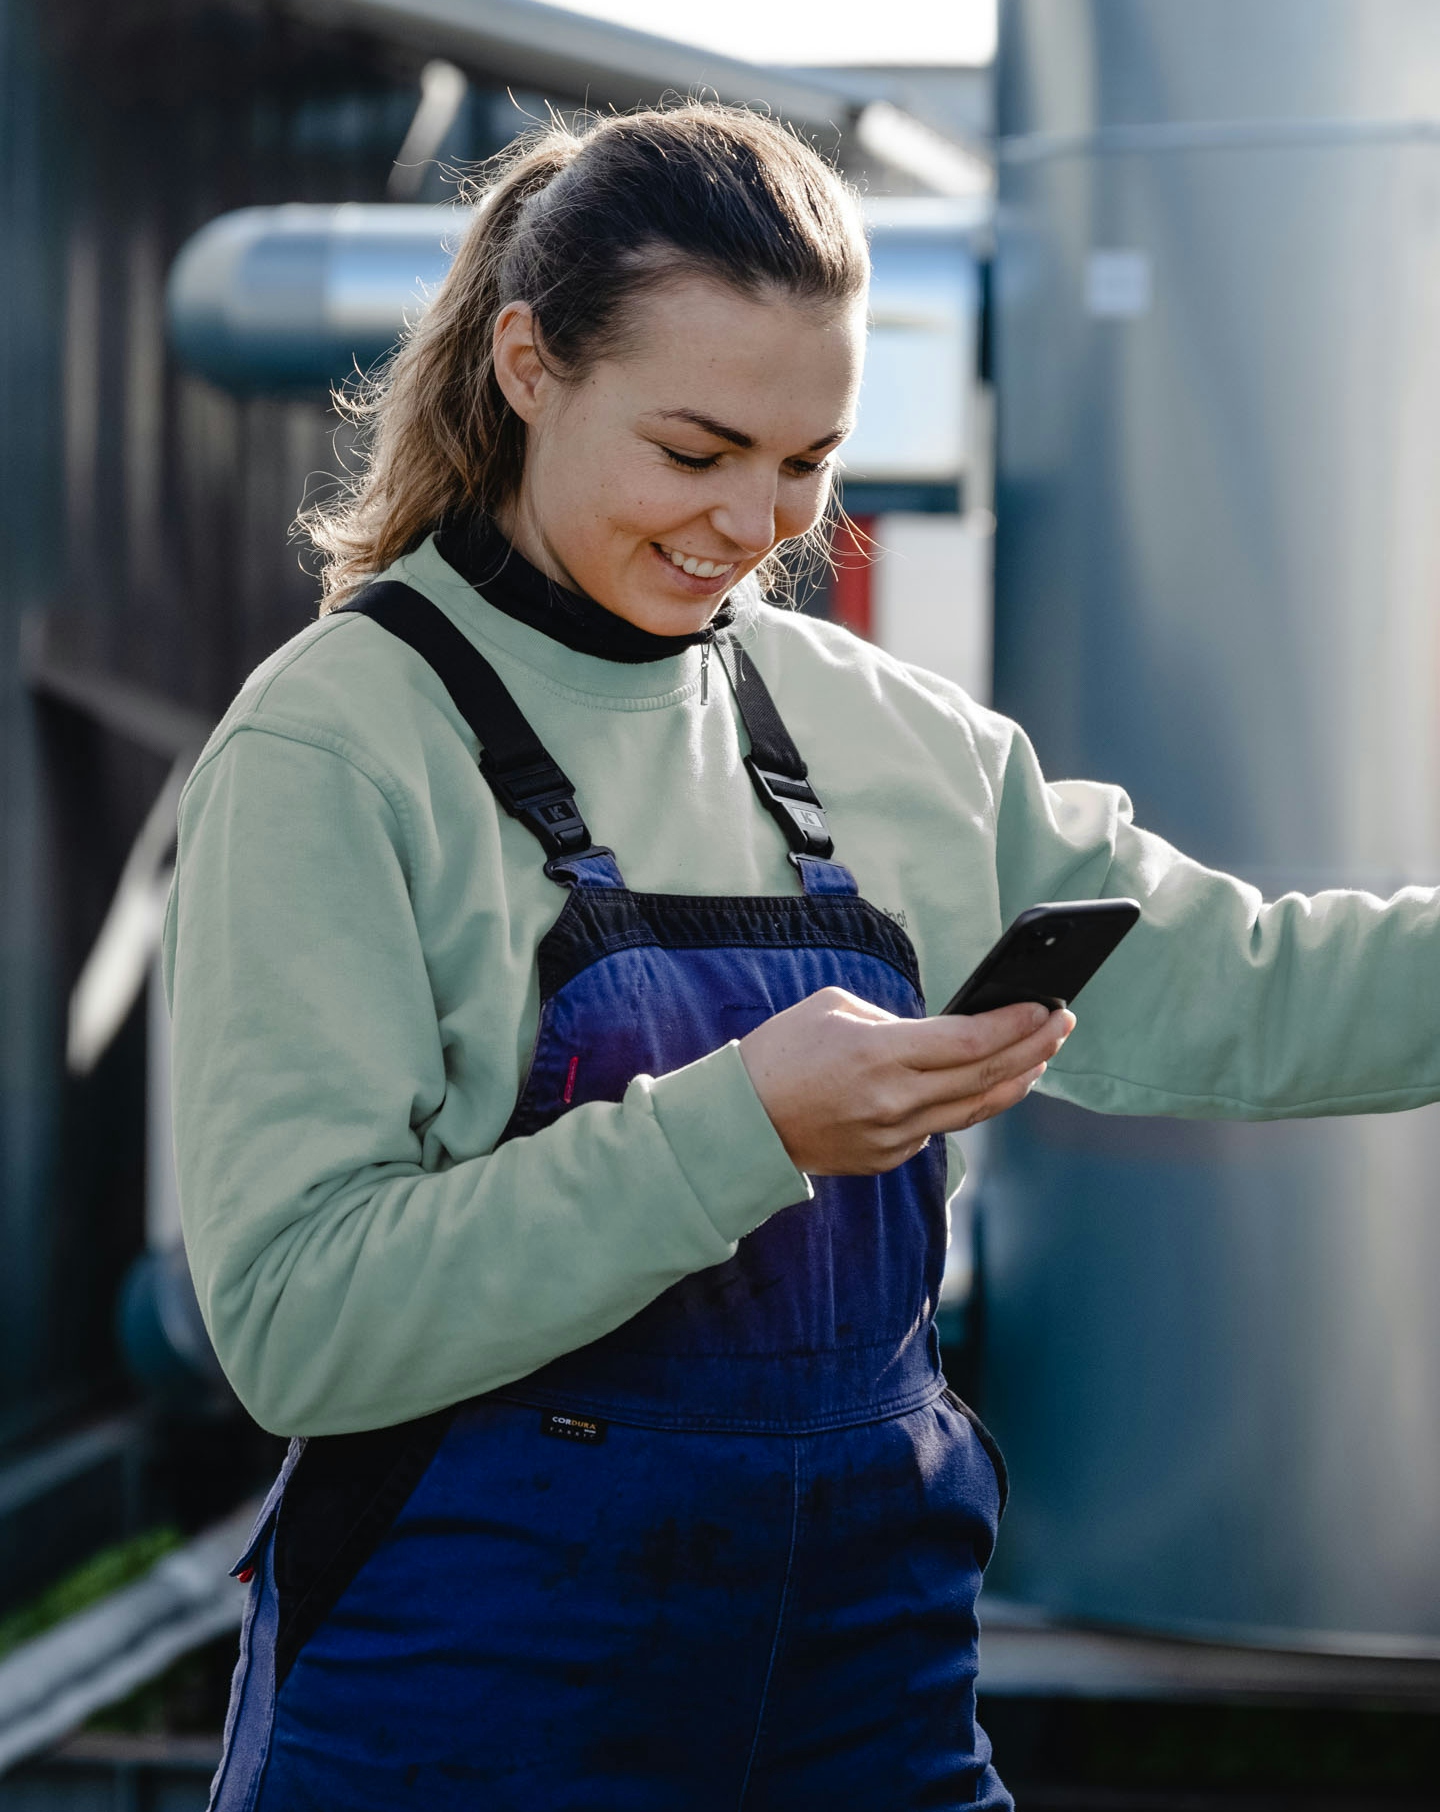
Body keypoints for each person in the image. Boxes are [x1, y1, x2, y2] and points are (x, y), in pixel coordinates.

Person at [165, 104, 1440, 1811]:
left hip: (867, 1697)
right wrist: (741, 1128)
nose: (755, 524)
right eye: (695, 453)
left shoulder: (877, 731)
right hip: (469, 1714)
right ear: (529, 366)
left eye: (806, 461)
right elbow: (299, 1322)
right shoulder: (338, 746)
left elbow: (1253, 984)